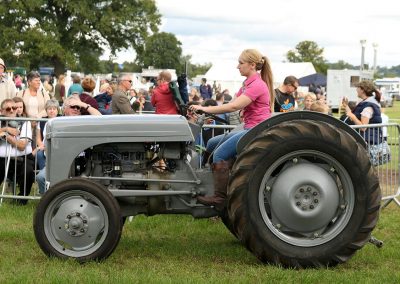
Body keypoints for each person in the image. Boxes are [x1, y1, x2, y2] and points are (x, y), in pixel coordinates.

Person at [189, 48, 274, 210]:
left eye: (241, 63)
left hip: (255, 130)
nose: (238, 66)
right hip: (249, 126)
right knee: (213, 142)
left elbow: (234, 106)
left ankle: (219, 198)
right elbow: (230, 104)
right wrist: (203, 109)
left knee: (219, 154)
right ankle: (206, 177)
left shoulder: (257, 85)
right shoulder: (247, 84)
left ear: (252, 65)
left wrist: (204, 108)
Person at [36, 96, 101, 194]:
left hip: (82, 162)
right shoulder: (55, 122)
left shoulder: (85, 121)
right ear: (64, 109)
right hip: (59, 161)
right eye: (73, 106)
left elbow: (100, 118)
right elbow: (46, 146)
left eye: (78, 107)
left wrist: (83, 105)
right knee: (41, 177)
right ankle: (47, 203)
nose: (76, 109)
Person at [0, 99, 34, 205]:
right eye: (8, 108)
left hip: (23, 158)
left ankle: (21, 199)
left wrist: (6, 136)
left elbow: (22, 146)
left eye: (14, 108)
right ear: (1, 111)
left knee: (28, 171)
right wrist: (5, 129)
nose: (11, 110)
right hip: (2, 159)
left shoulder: (25, 122)